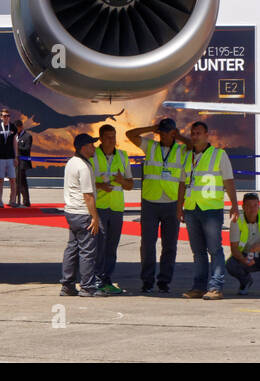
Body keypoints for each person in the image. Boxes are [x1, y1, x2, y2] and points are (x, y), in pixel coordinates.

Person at [125, 117, 190, 293]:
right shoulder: (151, 146)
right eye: (160, 132)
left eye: (166, 133)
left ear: (173, 134)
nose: (162, 136)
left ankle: (164, 281)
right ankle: (147, 281)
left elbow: (193, 146)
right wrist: (151, 127)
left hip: (172, 203)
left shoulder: (181, 150)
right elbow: (129, 134)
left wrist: (179, 136)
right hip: (150, 203)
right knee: (147, 244)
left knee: (170, 245)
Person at [178, 120, 238, 300]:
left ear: (206, 135)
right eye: (193, 133)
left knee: (214, 249)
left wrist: (234, 204)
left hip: (211, 209)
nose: (195, 137)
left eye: (198, 133)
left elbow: (228, 181)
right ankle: (198, 287)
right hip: (191, 209)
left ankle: (216, 287)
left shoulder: (219, 155)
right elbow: (182, 183)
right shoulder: (188, 156)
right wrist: (179, 206)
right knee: (197, 251)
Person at [61, 133, 107, 297]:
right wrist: (94, 217)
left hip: (71, 212)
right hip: (82, 213)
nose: (94, 147)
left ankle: (67, 285)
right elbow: (88, 195)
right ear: (83, 147)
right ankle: (87, 286)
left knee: (72, 248)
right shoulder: (83, 167)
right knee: (88, 251)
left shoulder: (71, 162)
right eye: (91, 145)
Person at [91, 124, 134, 294]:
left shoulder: (122, 156)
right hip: (99, 207)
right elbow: (86, 182)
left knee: (111, 246)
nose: (112, 140)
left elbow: (130, 184)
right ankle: (96, 279)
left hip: (116, 208)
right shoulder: (93, 155)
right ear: (101, 138)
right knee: (99, 245)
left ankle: (106, 279)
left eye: (114, 136)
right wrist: (100, 185)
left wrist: (121, 180)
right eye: (108, 137)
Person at [227, 192, 260, 294]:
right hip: (245, 255)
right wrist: (244, 260)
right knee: (231, 265)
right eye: (248, 206)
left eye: (255, 205)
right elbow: (234, 249)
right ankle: (246, 282)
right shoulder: (236, 221)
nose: (252, 209)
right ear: (243, 207)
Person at [0, 108, 19, 208]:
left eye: (8, 116)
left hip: (10, 157)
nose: (6, 118)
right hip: (0, 158)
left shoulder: (13, 127)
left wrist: (16, 156)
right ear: (1, 117)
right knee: (0, 180)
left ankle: (12, 200)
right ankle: (0, 201)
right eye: (4, 116)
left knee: (13, 180)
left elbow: (15, 142)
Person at [14, 116, 33, 208]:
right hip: (15, 162)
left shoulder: (27, 136)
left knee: (22, 181)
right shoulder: (14, 136)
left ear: (20, 127)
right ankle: (14, 199)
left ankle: (26, 201)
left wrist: (17, 146)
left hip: (23, 162)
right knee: (16, 181)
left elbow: (27, 148)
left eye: (16, 128)